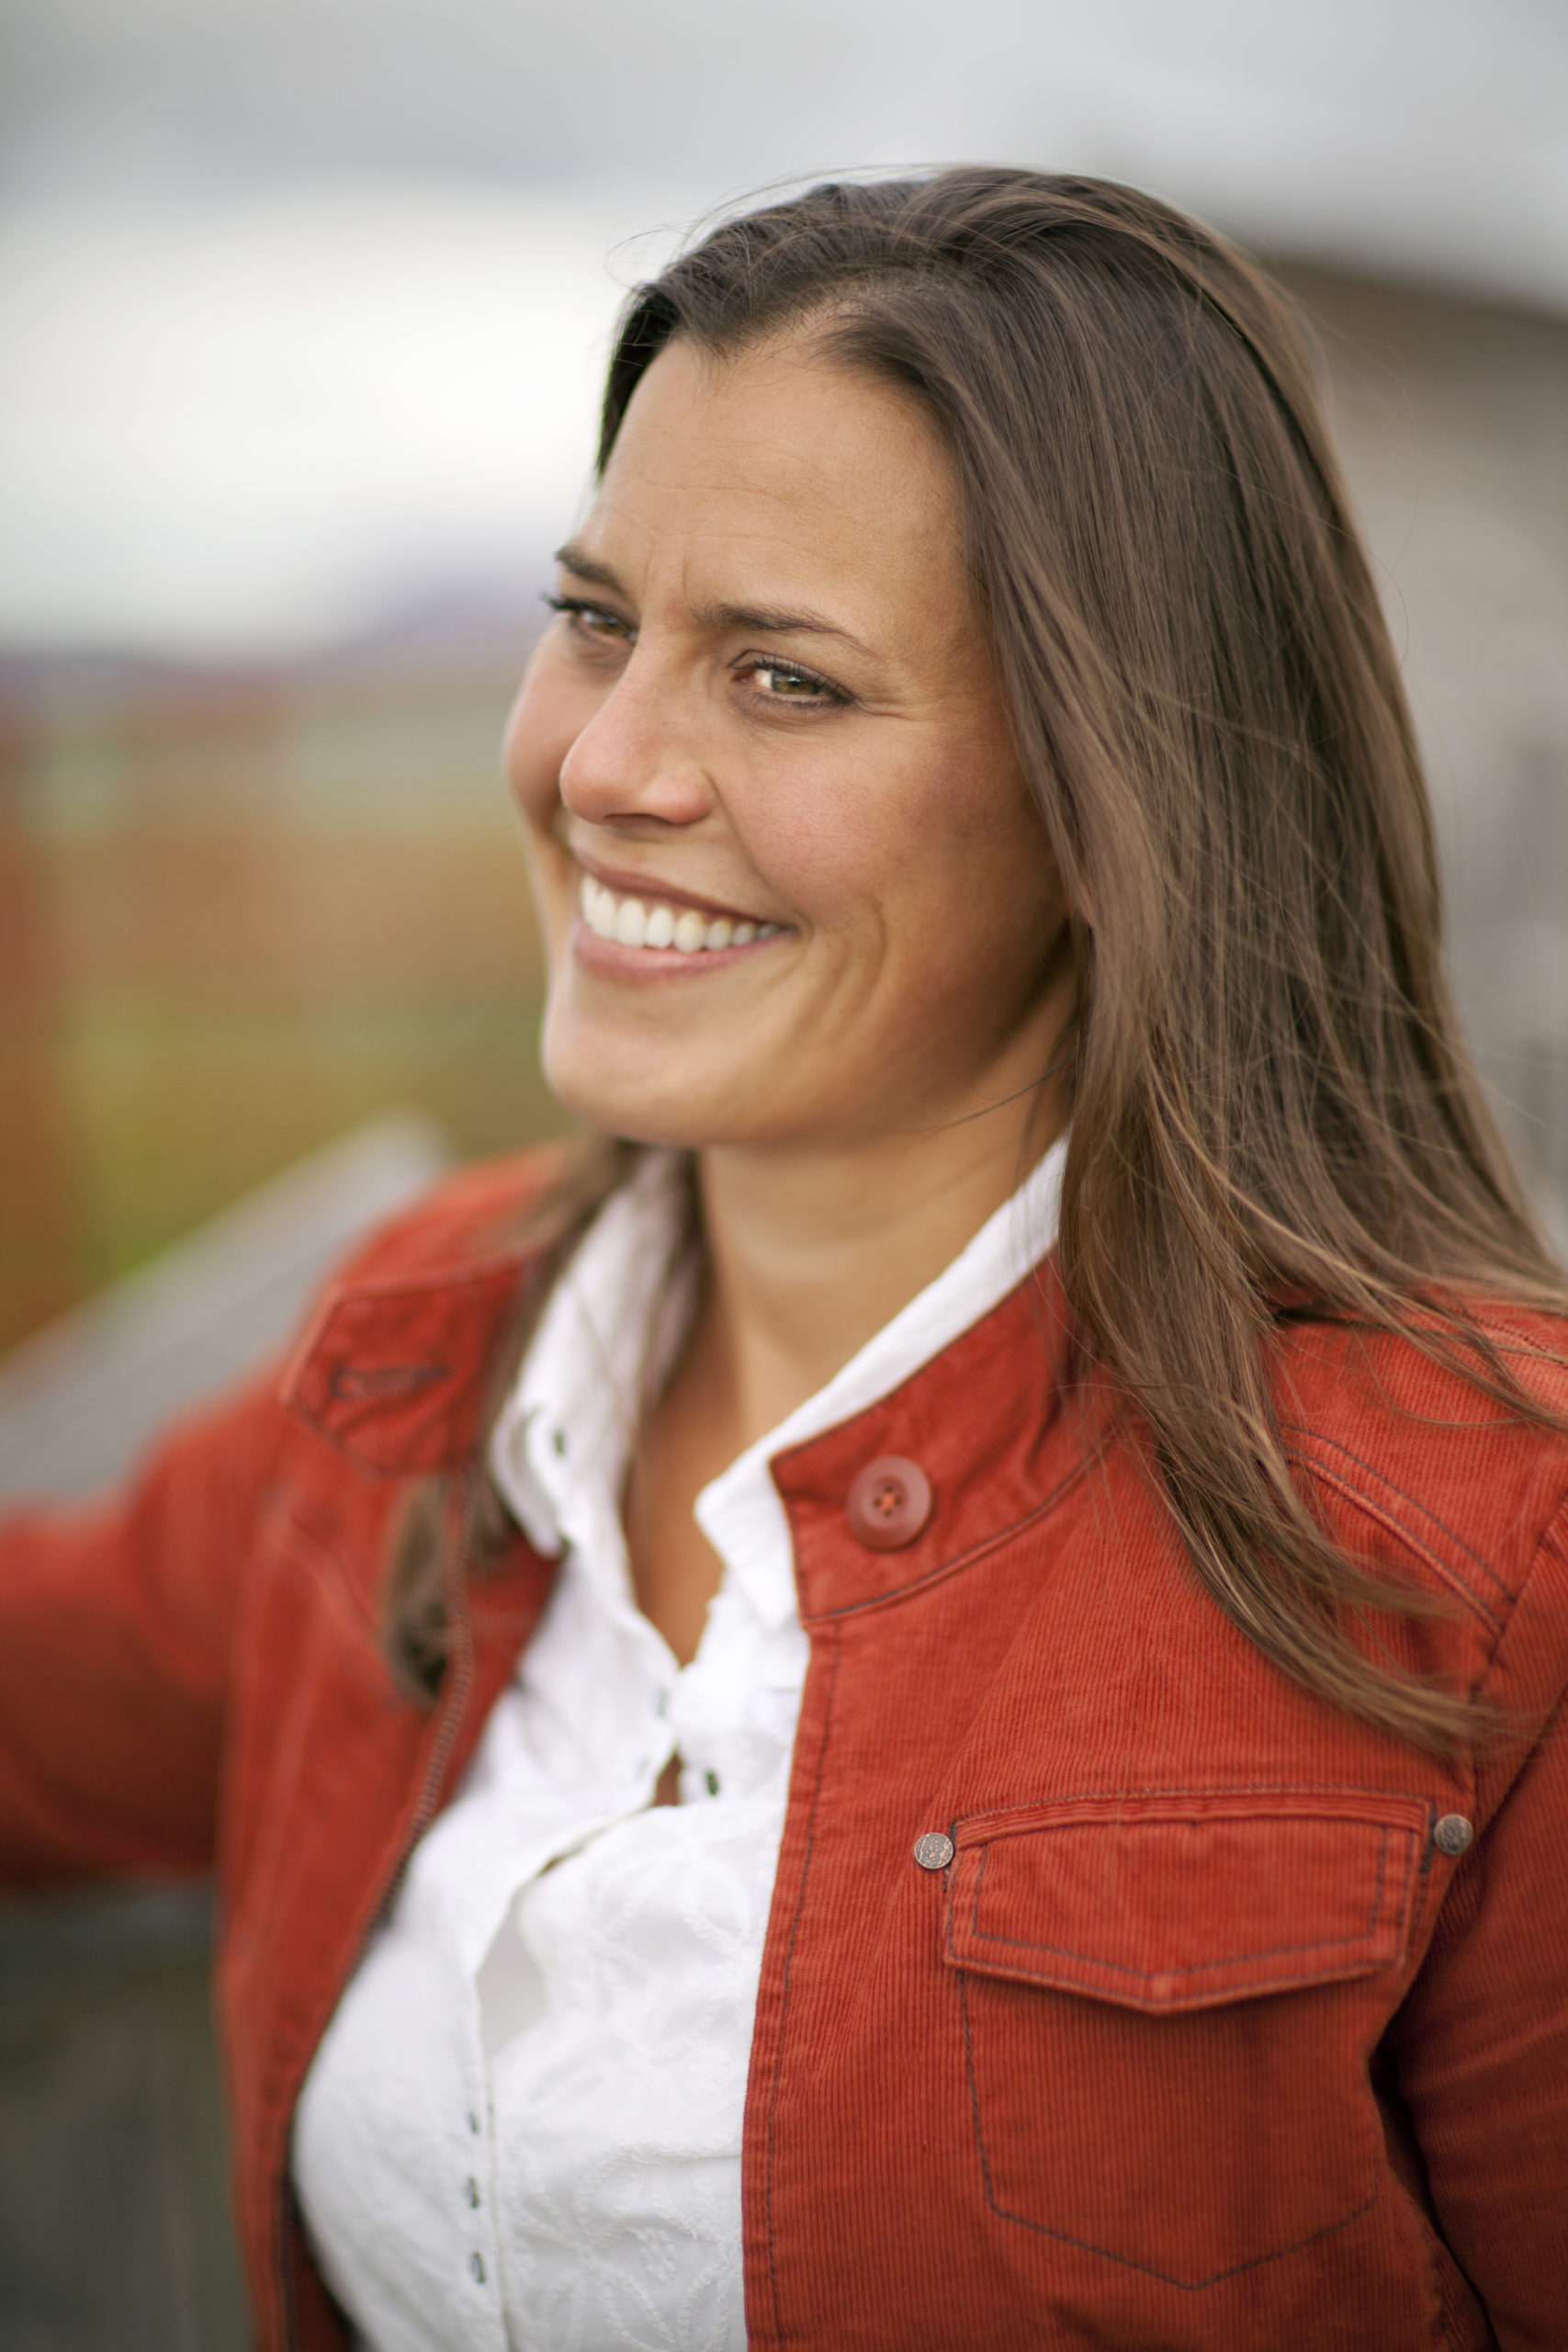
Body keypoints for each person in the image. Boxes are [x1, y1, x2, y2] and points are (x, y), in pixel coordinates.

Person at [3, 166, 1566, 2352]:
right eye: (591, 619)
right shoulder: (418, 1371)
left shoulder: (1485, 1541)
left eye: (784, 679)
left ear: (1121, 802)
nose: (606, 765)